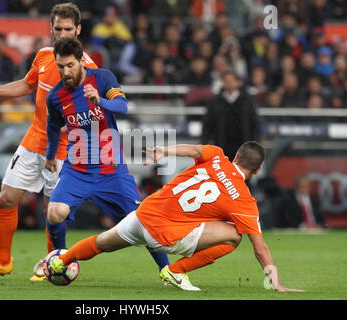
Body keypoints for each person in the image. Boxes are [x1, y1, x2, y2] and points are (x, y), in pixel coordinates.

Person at [47, 141, 304, 292]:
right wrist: (276, 281)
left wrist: (164, 151)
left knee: (101, 243)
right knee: (235, 235)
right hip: (163, 236)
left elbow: (192, 150)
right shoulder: (244, 201)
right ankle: (176, 271)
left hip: (143, 214)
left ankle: (60, 261)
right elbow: (260, 248)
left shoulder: (215, 155)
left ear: (235, 156)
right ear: (257, 171)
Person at [0, 3, 98, 281]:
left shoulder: (88, 68)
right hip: (33, 141)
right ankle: (2, 260)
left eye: (68, 29)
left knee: (50, 211)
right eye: (57, 28)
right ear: (50, 28)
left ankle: (51, 263)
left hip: (63, 150)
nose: (62, 34)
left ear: (78, 29)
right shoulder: (42, 56)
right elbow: (28, 84)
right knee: (6, 198)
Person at [44, 37, 169, 274]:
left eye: (70, 65)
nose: (65, 71)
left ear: (81, 61)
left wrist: (99, 100)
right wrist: (51, 155)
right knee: (55, 211)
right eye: (60, 66)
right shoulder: (55, 96)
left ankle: (167, 271)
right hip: (77, 169)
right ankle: (61, 260)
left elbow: (122, 107)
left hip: (111, 169)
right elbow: (53, 126)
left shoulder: (102, 78)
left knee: (142, 221)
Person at [201, 71, 260, 161]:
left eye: (231, 81)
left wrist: (255, 144)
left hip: (243, 146)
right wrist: (204, 144)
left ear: (238, 83)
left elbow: (255, 123)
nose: (229, 83)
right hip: (221, 145)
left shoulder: (247, 100)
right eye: (226, 81)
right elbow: (207, 124)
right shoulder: (215, 101)